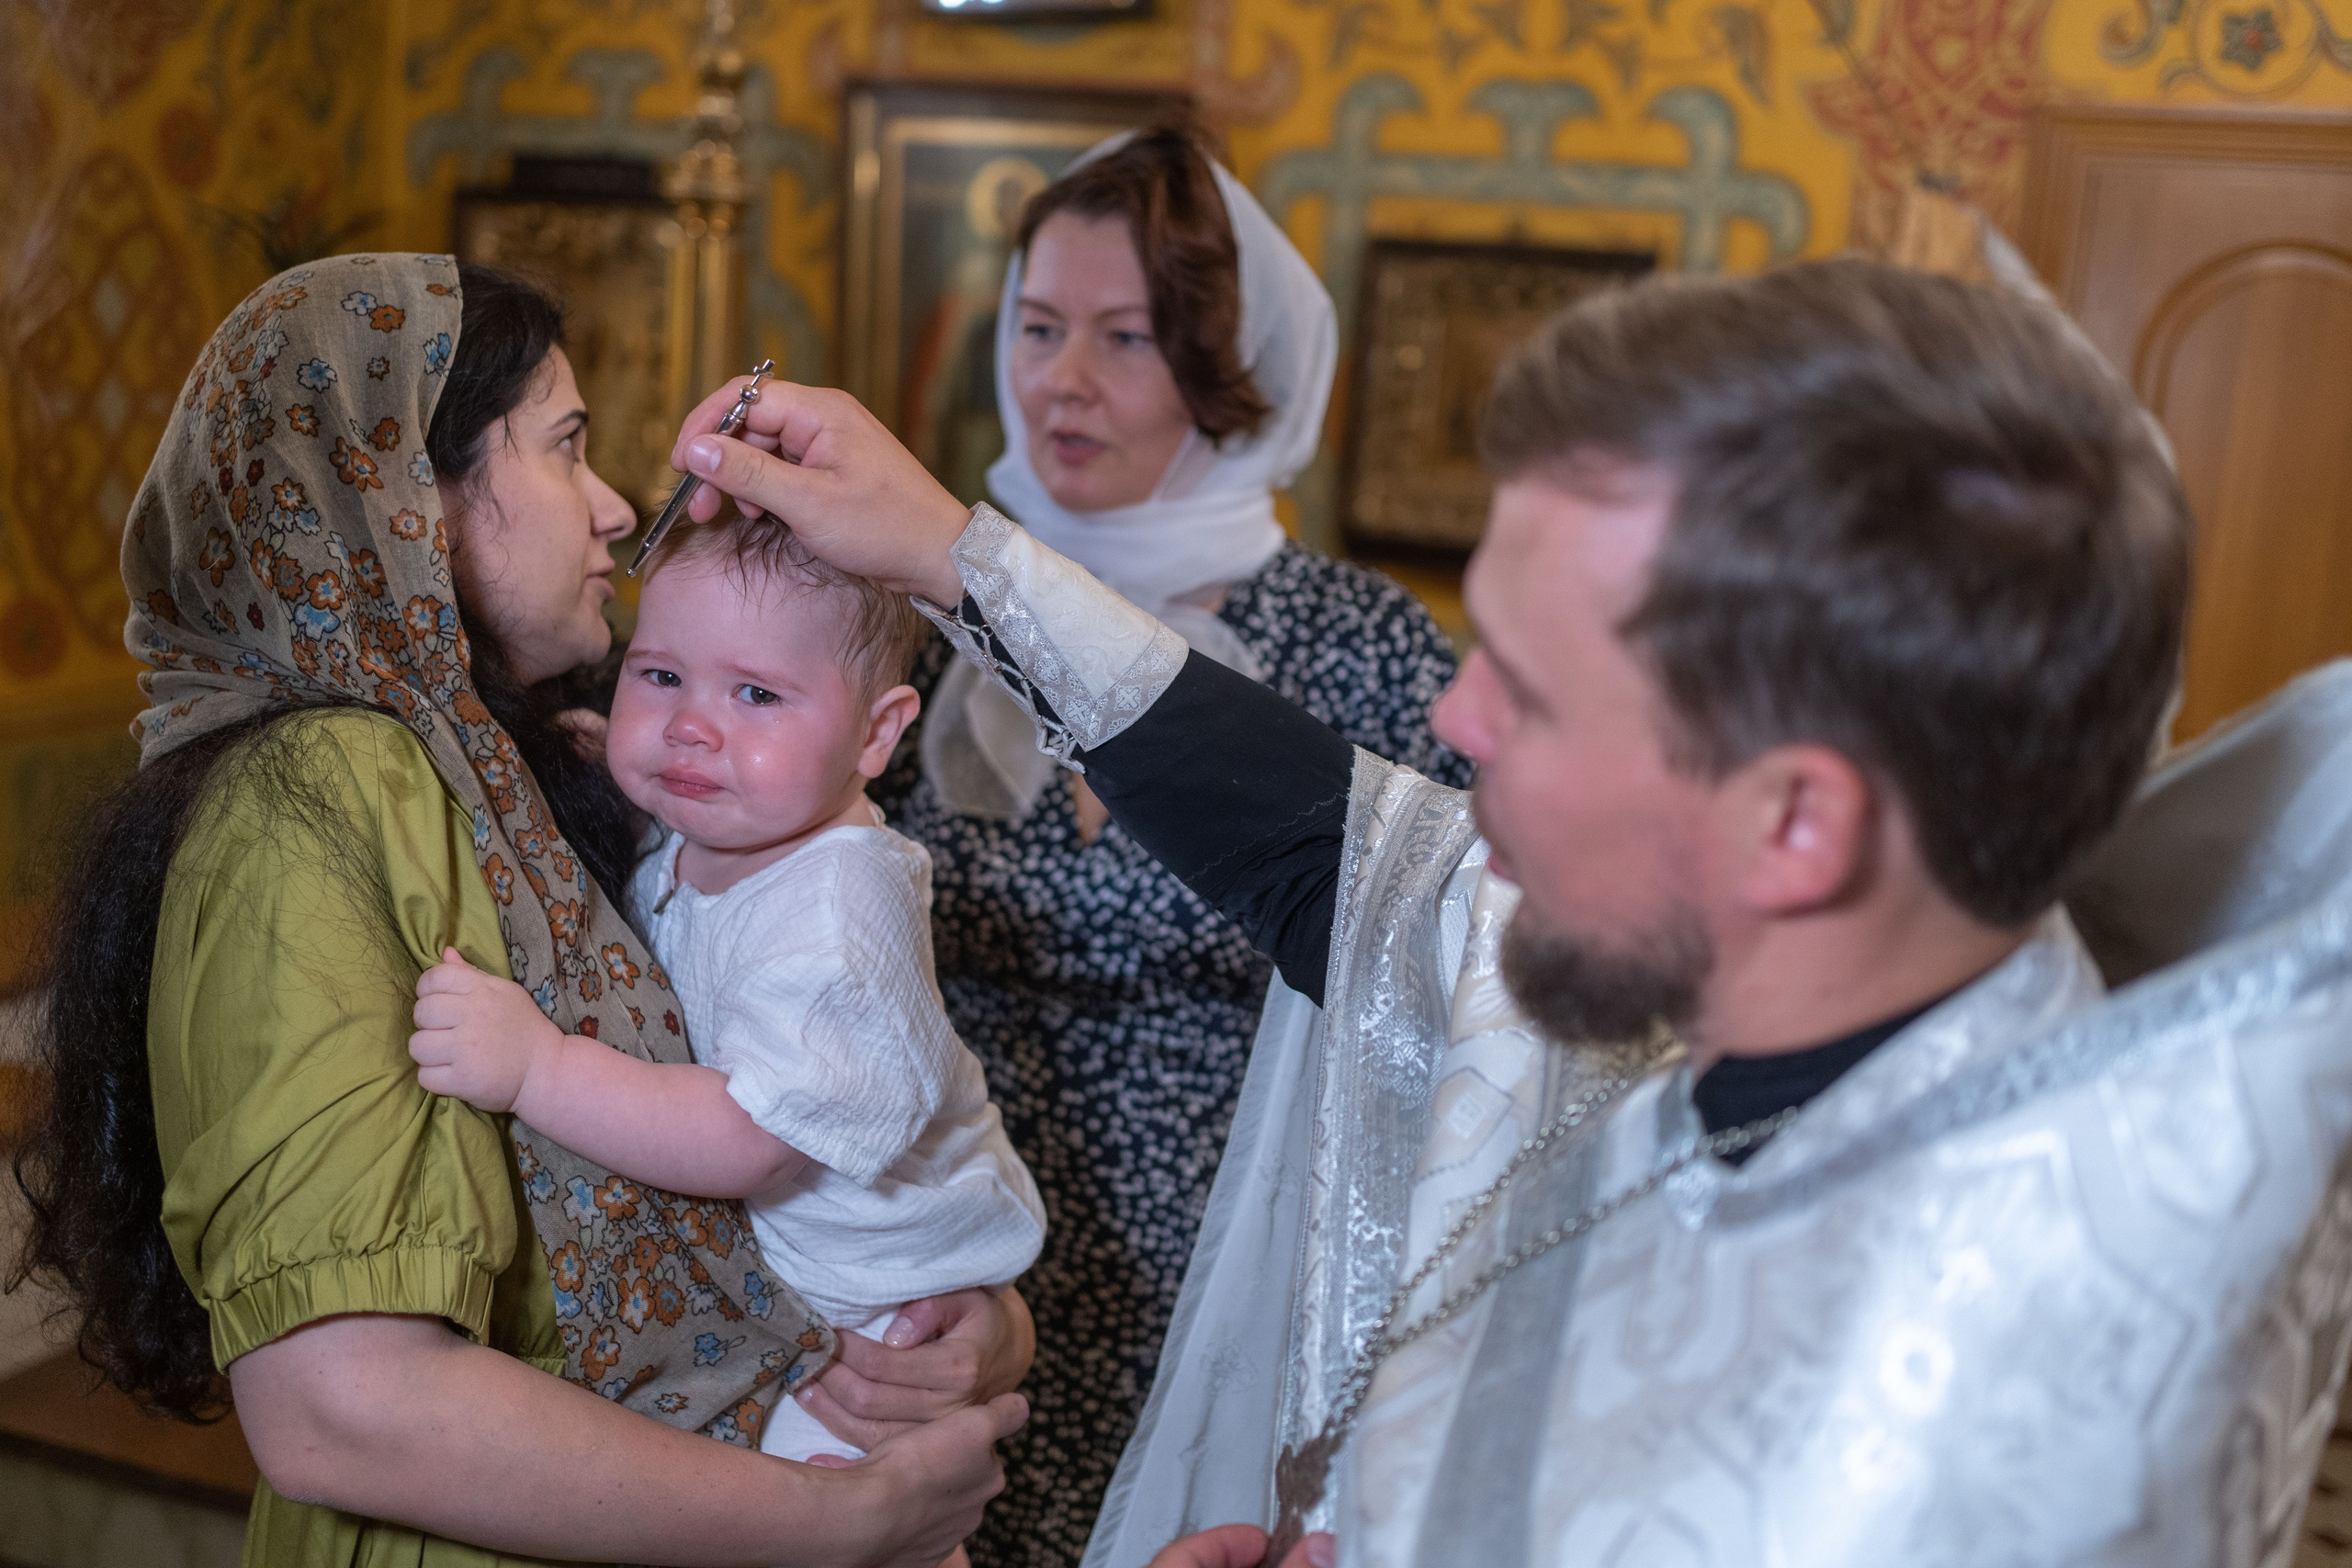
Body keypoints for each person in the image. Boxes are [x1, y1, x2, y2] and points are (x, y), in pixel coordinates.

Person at [669, 254, 2352, 1565]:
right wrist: (945, 549)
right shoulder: (1774, 991)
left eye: (1531, 693)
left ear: (1796, 821)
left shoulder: (1947, 1418)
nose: (1456, 728)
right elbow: (1343, 857)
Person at [9, 254, 1030, 1568]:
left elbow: (797, 1126)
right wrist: (845, 1515)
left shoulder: (531, 759)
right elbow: (344, 1407)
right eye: (566, 447)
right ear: (401, 502)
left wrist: (965, 1319)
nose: (614, 508)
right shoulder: (317, 789)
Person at [861, 125, 1469, 1564]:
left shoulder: (1361, 646)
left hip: (1236, 1286)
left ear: (1228, 363)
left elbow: (1456, 994)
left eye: (1126, 338)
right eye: (1038, 324)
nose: (1062, 378)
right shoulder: (913, 606)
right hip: (942, 1283)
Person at [407, 508, 1048, 1473]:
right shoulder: (737, 826)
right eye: (660, 675)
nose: (692, 726)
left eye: (756, 694)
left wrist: (538, 1068)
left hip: (868, 1306)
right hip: (791, 1283)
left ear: (876, 736)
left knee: (823, 1507)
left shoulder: (833, 914)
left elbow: (748, 1138)